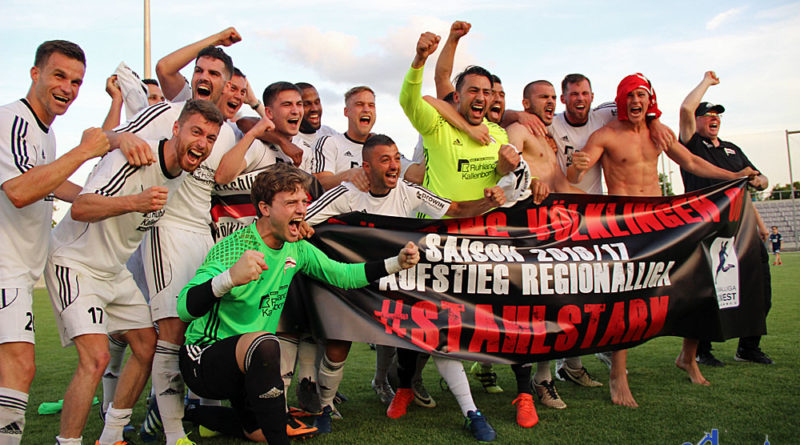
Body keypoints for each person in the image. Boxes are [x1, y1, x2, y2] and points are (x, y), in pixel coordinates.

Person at [176, 162, 420, 445]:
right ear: (265, 208)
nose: (302, 209)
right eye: (291, 202)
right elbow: (184, 307)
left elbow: (343, 275)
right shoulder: (234, 248)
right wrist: (228, 278)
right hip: (203, 361)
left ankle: (193, 412)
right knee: (266, 345)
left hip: (249, 365)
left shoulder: (297, 248)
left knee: (258, 433)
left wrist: (395, 263)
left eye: (304, 201)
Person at [567, 73, 758, 407]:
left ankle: (688, 357)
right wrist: (576, 166)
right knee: (627, 301)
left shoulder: (660, 134)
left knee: (697, 287)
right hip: (627, 226)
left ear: (649, 100)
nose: (636, 101)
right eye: (630, 96)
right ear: (621, 101)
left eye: (641, 95)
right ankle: (618, 374)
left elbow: (691, 161)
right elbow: (577, 173)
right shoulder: (606, 134)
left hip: (665, 222)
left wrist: (736, 177)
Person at [44, 100, 222, 445]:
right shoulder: (136, 158)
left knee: (146, 345)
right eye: (196, 131)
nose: (202, 143)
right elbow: (81, 207)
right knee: (95, 358)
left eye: (211, 138)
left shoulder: (177, 175)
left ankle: (111, 436)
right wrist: (134, 202)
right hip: (75, 263)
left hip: (113, 272)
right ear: (176, 129)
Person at [304, 134, 503, 441]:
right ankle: (325, 409)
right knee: (338, 344)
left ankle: (471, 411)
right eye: (385, 159)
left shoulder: (408, 190)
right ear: (366, 168)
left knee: (436, 333)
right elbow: (302, 220)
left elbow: (458, 209)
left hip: (398, 279)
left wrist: (488, 202)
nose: (395, 164)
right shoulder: (346, 193)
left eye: (397, 157)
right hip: (356, 282)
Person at [115, 40, 240, 444]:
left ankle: (197, 412)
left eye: (214, 73)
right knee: (168, 332)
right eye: (199, 71)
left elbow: (225, 181)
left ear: (227, 84)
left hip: (203, 236)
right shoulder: (166, 115)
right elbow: (109, 137)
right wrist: (121, 141)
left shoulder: (229, 132)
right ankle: (171, 434)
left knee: (203, 329)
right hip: (164, 231)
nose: (204, 78)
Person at [0, 39, 112, 445]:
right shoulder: (12, 120)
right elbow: (19, 190)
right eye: (59, 75)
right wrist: (83, 151)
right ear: (36, 73)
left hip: (20, 268)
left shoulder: (42, 133)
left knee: (15, 369)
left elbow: (48, 179)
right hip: (4, 268)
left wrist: (93, 196)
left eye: (77, 81)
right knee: (19, 367)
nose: (68, 87)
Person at [678, 70, 773, 367]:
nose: (713, 118)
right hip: (708, 227)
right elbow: (685, 109)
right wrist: (706, 82)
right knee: (708, 291)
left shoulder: (733, 149)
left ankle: (749, 346)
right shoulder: (692, 144)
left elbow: (756, 182)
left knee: (758, 287)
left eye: (717, 114)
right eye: (707, 114)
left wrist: (759, 186)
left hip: (742, 228)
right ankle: (701, 350)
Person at [311, 85, 376, 191]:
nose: (366, 109)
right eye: (359, 105)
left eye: (371, 105)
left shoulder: (383, 147)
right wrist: (348, 175)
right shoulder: (330, 143)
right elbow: (320, 183)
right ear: (346, 112)